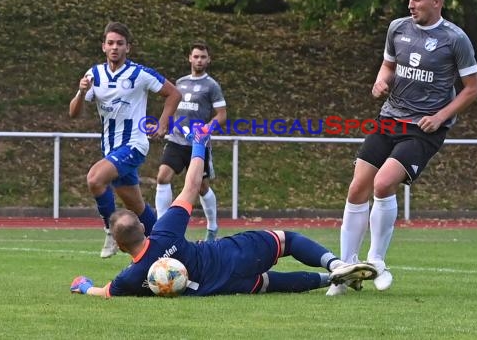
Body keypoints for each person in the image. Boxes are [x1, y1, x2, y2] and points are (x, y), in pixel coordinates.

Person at [70, 125, 377, 297]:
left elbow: (103, 292)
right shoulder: (164, 232)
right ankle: (336, 265)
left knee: (274, 284)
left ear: (121, 246)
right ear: (141, 224)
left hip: (227, 287)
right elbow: (191, 186)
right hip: (232, 254)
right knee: (287, 240)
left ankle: (331, 281)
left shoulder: (133, 276)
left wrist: (82, 286)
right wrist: (200, 143)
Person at [326, 0, 477, 296]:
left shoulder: (455, 39)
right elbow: (389, 66)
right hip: (389, 119)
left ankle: (376, 262)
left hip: (423, 129)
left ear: (436, 2)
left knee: (383, 183)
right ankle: (346, 267)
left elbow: (471, 89)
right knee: (357, 189)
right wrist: (381, 80)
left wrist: (440, 117)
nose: (410, 4)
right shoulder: (397, 28)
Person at [69, 21, 181, 259]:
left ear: (128, 48)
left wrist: (163, 124)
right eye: (110, 43)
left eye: (120, 43)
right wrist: (80, 92)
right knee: (138, 208)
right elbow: (74, 113)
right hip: (110, 150)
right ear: (103, 46)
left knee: (95, 179)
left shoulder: (139, 74)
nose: (115, 47)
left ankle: (111, 230)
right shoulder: (94, 74)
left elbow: (174, 93)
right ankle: (171, 249)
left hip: (134, 145)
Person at [154, 41, 227, 243]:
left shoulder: (211, 85)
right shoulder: (180, 82)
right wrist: (164, 125)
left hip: (198, 144)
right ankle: (161, 229)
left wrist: (206, 129)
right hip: (177, 140)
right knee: (162, 177)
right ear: (189, 58)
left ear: (208, 60)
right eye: (196, 56)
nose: (199, 60)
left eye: (203, 57)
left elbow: (221, 115)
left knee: (202, 188)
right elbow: (173, 108)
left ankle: (212, 227)